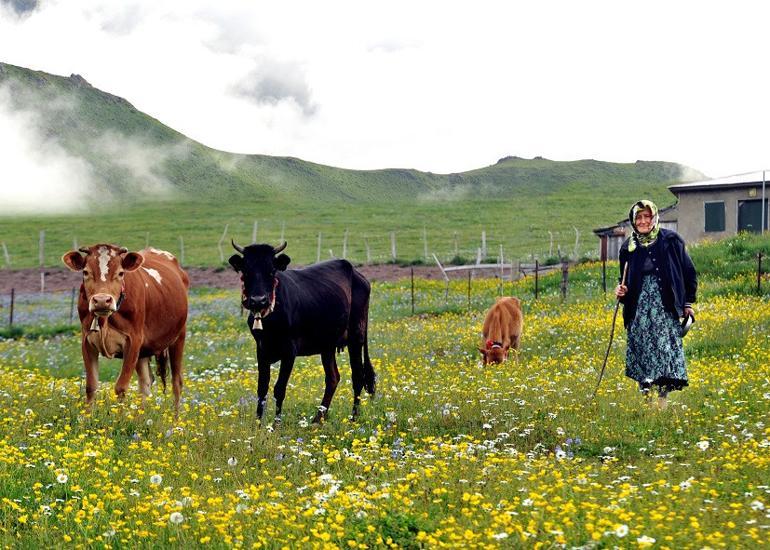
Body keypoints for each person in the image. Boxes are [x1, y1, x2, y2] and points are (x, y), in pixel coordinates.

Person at [614, 200, 697, 409]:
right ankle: (646, 401)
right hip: (638, 310)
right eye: (638, 218)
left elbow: (688, 272)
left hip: (664, 307)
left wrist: (687, 302)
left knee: (663, 351)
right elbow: (624, 283)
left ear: (654, 217)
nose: (643, 221)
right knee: (642, 350)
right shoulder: (628, 247)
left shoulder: (671, 240)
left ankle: (662, 401)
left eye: (647, 216)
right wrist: (621, 292)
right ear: (634, 221)